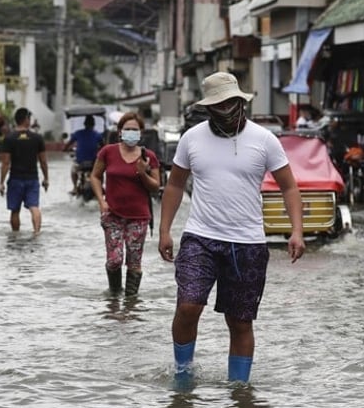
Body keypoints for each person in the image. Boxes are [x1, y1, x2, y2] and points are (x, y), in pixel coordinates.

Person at [158, 71, 305, 386]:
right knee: (188, 306)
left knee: (240, 322)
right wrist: (164, 231)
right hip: (200, 237)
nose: (227, 109)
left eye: (232, 102)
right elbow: (174, 185)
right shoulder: (192, 138)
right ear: (208, 107)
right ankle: (183, 374)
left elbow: (289, 188)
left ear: (241, 102)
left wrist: (297, 231)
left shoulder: (264, 140)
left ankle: (238, 391)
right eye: (219, 104)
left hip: (248, 243)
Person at [90, 112, 161, 297]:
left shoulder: (148, 156)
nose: (131, 133)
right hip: (112, 214)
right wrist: (101, 201)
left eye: (135, 130)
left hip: (139, 217)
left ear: (141, 133)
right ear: (120, 132)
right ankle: (114, 295)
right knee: (114, 260)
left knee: (134, 261)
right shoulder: (108, 152)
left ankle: (131, 304)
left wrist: (143, 173)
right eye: (127, 129)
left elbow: (156, 187)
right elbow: (95, 176)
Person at [0, 107, 49, 233]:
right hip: (32, 179)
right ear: (26, 119)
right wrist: (46, 178)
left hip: (15, 179)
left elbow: (5, 163)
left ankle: (15, 235)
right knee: (34, 207)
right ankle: (37, 233)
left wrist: (1, 182)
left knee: (15, 210)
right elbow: (43, 161)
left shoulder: (9, 138)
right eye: (29, 118)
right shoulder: (37, 138)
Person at [65, 115, 103, 195]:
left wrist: (65, 149)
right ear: (93, 124)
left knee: (73, 170)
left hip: (81, 163)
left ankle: (75, 187)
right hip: (93, 163)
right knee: (100, 171)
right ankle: (101, 186)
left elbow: (68, 145)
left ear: (84, 124)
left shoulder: (77, 133)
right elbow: (104, 147)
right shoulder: (98, 135)